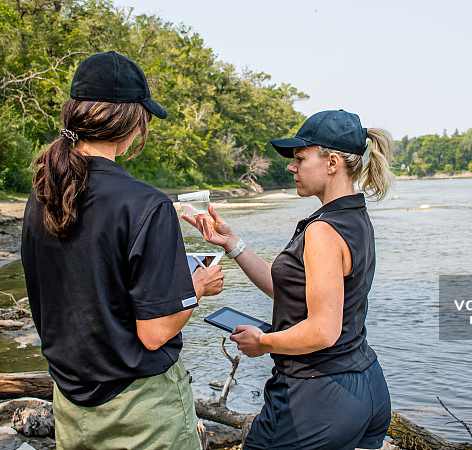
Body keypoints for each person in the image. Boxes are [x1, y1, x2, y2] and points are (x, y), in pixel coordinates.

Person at [21, 50, 224, 450]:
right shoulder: (147, 205)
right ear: (133, 122)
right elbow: (154, 333)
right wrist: (196, 286)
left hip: (70, 402)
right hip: (139, 411)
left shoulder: (42, 194)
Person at [184, 109, 393, 449]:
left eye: (299, 158)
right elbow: (293, 291)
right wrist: (233, 244)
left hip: (316, 397)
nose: (290, 167)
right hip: (366, 387)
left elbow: (323, 331)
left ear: (332, 162)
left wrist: (263, 342)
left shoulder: (324, 230)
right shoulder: (354, 216)